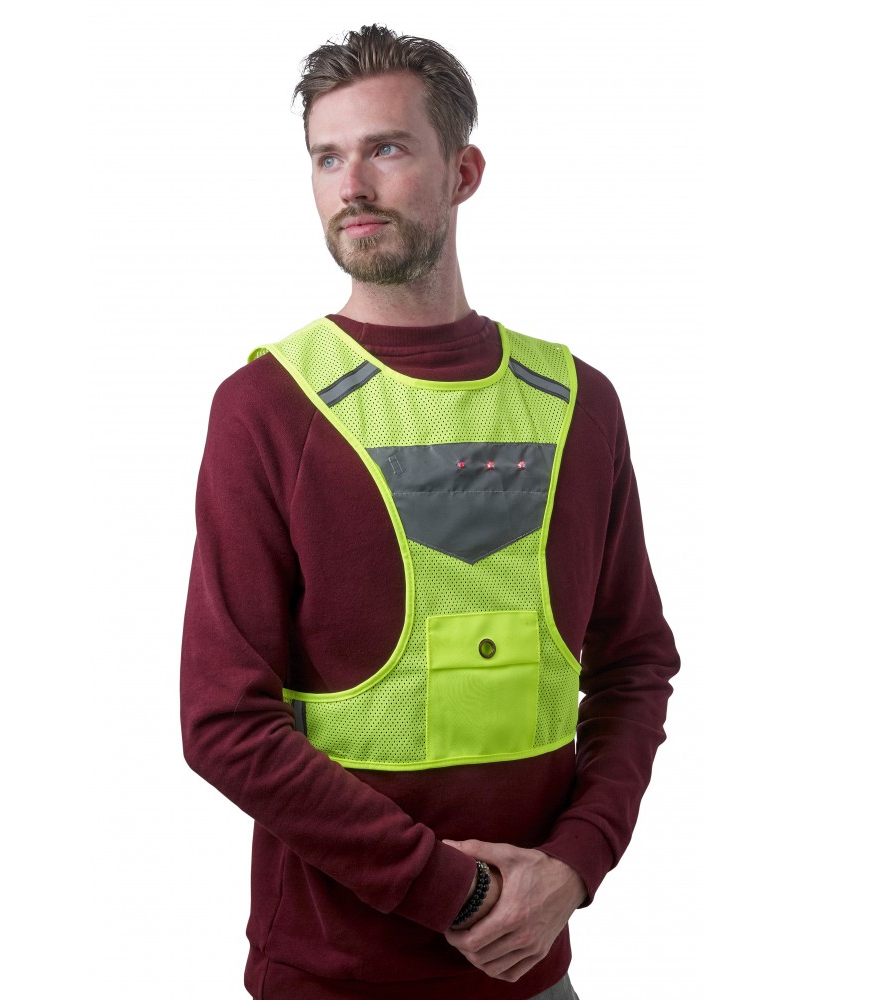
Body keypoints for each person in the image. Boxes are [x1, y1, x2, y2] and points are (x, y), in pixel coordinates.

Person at [180, 24, 679, 1000]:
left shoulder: (579, 403)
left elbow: (634, 664)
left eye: (387, 148)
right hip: (332, 976)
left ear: (464, 172)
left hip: (533, 973)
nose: (352, 186)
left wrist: (573, 866)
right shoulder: (266, 409)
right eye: (328, 158)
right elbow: (222, 723)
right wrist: (462, 896)